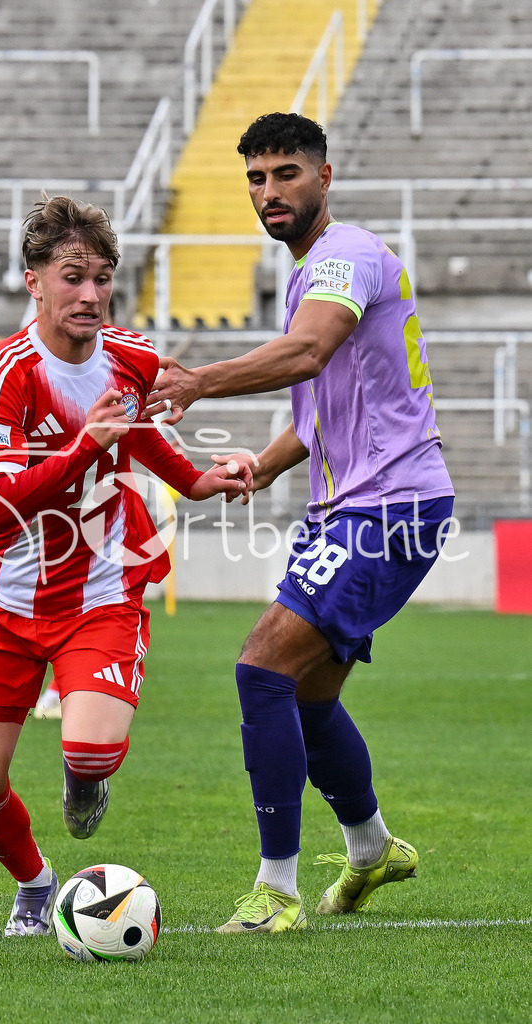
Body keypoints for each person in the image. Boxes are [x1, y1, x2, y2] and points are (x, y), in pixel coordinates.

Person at [144, 112, 455, 933]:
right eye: (256, 177)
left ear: (325, 176)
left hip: (390, 506)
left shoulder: (344, 253)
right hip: (350, 505)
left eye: (287, 173)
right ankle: (371, 850)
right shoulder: (311, 270)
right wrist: (265, 461)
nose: (270, 191)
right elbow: (324, 405)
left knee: (261, 667)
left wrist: (198, 382)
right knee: (308, 698)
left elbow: (310, 353)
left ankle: (275, 890)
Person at [0, 194, 251, 937]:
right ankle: (35, 882)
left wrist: (195, 480)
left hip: (102, 590)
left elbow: (137, 430)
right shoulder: (3, 375)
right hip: (4, 601)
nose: (89, 294)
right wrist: (86, 444)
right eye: (72, 276)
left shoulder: (131, 356)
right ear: (35, 281)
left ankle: (83, 783)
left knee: (90, 750)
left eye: (103, 278)